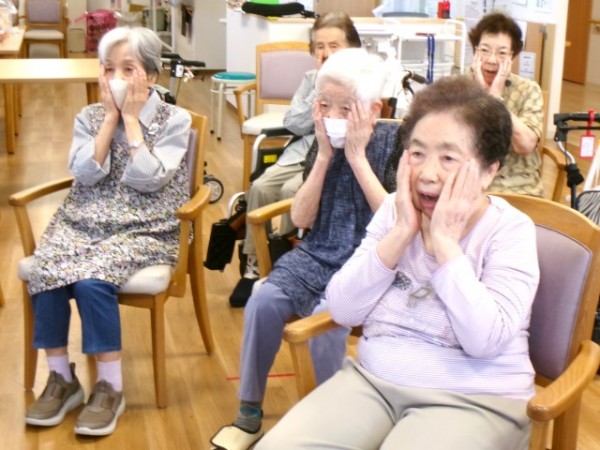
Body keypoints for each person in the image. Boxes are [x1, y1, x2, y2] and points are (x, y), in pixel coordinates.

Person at [256, 76, 540, 450]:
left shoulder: (510, 230)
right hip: (372, 383)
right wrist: (402, 231)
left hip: (475, 398)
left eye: (448, 158)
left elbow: (484, 340)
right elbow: (343, 309)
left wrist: (445, 245)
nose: (428, 173)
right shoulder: (395, 210)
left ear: (489, 171)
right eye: (417, 153)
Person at [210, 48, 402, 450]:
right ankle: (248, 412)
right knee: (263, 299)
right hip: (319, 250)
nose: (331, 116)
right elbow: (301, 217)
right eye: (324, 105)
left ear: (373, 109)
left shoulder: (398, 144)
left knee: (324, 315)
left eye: (345, 108)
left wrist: (356, 156)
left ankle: (325, 419)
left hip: (371, 262)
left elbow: (395, 224)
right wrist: (326, 156)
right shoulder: (321, 143)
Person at [24, 27, 192, 436]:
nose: (116, 78)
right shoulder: (89, 116)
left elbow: (150, 180)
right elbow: (82, 174)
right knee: (46, 270)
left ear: (151, 75)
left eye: (127, 69)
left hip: (147, 226)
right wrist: (110, 119)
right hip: (84, 220)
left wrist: (130, 120)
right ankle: (61, 379)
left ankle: (110, 387)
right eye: (108, 68)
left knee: (91, 281)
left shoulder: (175, 119)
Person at [229, 11, 362, 307]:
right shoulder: (311, 79)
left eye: (334, 46)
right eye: (320, 47)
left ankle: (288, 260)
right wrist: (319, 88)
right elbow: (294, 124)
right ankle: (253, 265)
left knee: (292, 191)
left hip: (335, 157)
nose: (326, 53)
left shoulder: (362, 82)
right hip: (301, 151)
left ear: (352, 48)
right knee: (261, 187)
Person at [469, 12, 544, 196]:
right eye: (484, 50)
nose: (492, 60)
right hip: (469, 186)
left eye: (502, 53)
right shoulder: (457, 88)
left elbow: (525, 145)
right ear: (475, 51)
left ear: (513, 56)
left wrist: (495, 100)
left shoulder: (528, 90)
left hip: (520, 189)